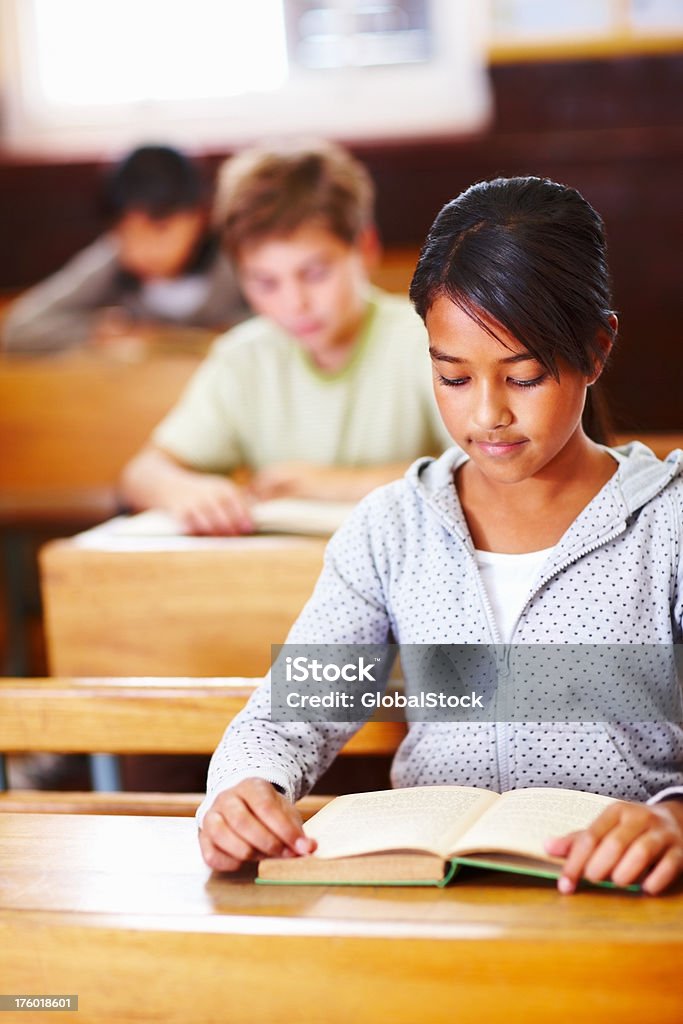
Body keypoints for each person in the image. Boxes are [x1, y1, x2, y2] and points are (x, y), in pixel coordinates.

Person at [196, 176, 683, 895]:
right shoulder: (393, 529)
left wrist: (672, 820)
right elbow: (292, 709)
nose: (486, 414)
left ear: (596, 348)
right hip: (429, 897)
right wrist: (242, 787)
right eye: (453, 378)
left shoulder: (666, 527)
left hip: (620, 899)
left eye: (522, 377)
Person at [119, 140, 452, 534]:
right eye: (265, 282)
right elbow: (142, 473)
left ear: (364, 248)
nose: (294, 303)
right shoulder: (244, 356)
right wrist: (182, 489)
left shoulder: (428, 341)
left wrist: (326, 484)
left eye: (314, 274)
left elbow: (486, 472)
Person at [1, 144, 248, 353]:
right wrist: (95, 331)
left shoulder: (234, 257)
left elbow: (277, 318)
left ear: (200, 215)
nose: (143, 249)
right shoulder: (112, 261)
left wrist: (226, 331)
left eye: (160, 228)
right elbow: (20, 328)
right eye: (126, 233)